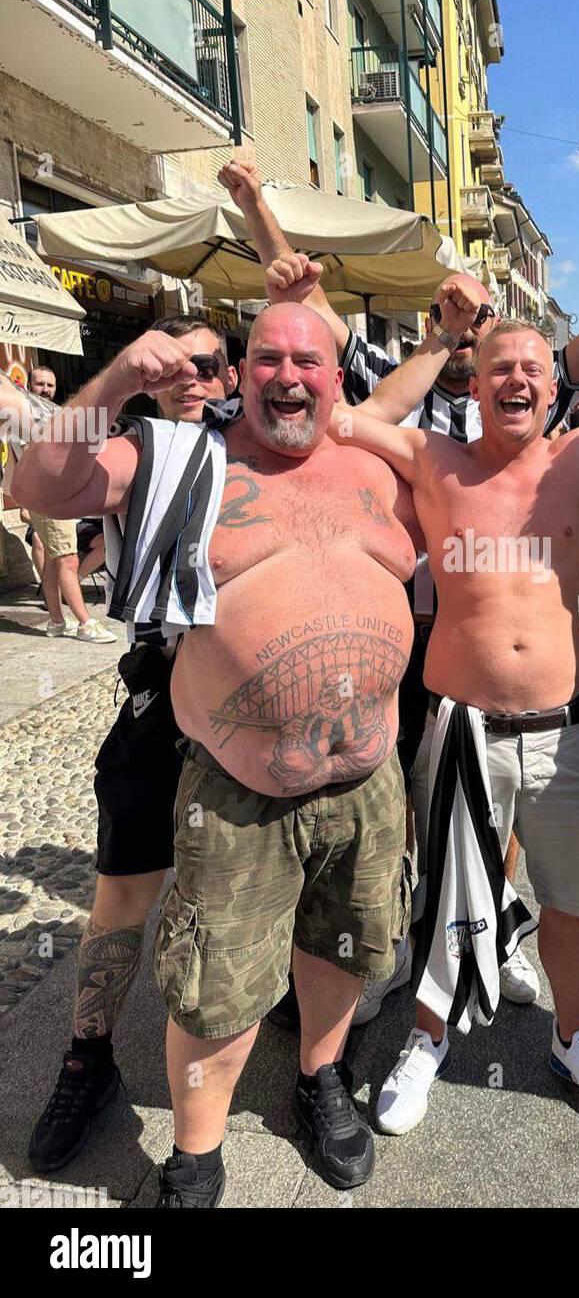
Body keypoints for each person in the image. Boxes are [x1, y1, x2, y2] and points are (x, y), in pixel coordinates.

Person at [13, 301, 457, 1206]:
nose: (287, 375)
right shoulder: (185, 459)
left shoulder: (385, 468)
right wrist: (115, 384)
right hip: (240, 793)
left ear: (339, 379)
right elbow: (43, 489)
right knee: (215, 987)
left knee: (340, 954)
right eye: (266, 359)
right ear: (241, 371)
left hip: (366, 784)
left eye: (308, 360)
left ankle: (319, 1079)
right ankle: (195, 1154)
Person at [225, 154, 579, 1017]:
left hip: (505, 652)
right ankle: (406, 949)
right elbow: (310, 331)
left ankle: (498, 928)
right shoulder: (415, 397)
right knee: (416, 814)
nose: (504, 366)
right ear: (455, 337)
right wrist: (257, 213)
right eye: (475, 336)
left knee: (505, 801)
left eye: (512, 349)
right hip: (410, 640)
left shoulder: (540, 400)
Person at [321, 304, 579, 1135]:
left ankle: (573, 1038)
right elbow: (346, 421)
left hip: (564, 730)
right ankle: (427, 1038)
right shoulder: (433, 457)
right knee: (452, 888)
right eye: (500, 368)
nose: (517, 379)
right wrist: (427, 346)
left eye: (533, 367)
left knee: (573, 898)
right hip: (462, 727)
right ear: (477, 381)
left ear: (553, 384)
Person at [25, 317, 238, 1176]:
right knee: (122, 893)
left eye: (209, 363)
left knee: (266, 890)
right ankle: (88, 1058)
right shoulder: (138, 448)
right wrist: (111, 380)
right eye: (173, 365)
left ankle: (305, 1046)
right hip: (161, 703)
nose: (192, 377)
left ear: (233, 373)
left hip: (257, 712)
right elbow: (39, 485)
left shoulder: (266, 444)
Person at [2, 367, 115, 642]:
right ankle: (85, 622)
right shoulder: (21, 417)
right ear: (28, 385)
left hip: (58, 496)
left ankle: (55, 620)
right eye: (40, 383)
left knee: (55, 558)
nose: (46, 389)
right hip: (50, 495)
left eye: (50, 384)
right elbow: (18, 466)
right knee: (67, 557)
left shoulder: (51, 411)